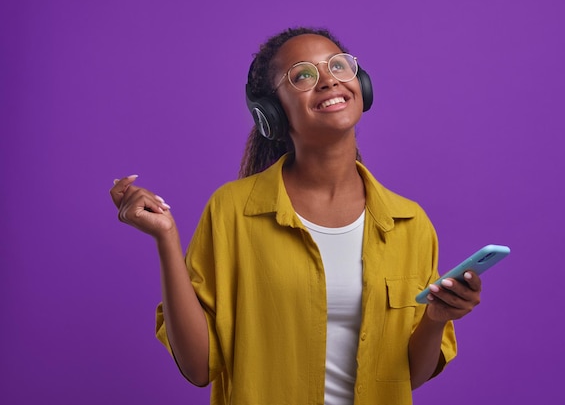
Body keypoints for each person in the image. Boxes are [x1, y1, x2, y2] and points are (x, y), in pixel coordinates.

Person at [110, 27, 482, 405]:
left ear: (361, 86)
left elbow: (405, 378)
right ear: (272, 112)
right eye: (303, 75)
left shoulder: (410, 224)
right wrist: (166, 239)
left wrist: (436, 318)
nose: (328, 80)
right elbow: (197, 367)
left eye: (338, 66)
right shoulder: (232, 212)